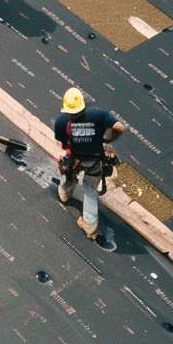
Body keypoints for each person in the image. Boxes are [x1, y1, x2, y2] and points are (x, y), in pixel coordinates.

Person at [53, 87, 125, 240]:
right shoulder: (98, 115)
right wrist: (109, 139)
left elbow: (64, 144)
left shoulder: (61, 122)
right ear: (82, 104)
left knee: (68, 172)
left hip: (75, 158)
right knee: (90, 192)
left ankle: (65, 195)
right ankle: (90, 229)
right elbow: (120, 127)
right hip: (94, 160)